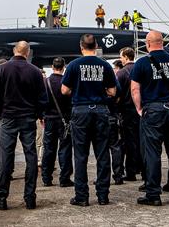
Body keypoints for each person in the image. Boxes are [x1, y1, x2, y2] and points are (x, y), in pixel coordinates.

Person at [130, 30, 169, 206]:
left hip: (153, 110)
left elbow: (135, 89)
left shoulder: (141, 63)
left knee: (152, 154)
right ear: (162, 43)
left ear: (148, 43)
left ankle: (153, 195)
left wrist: (139, 108)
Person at [61, 34, 118, 207]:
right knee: (102, 154)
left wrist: (77, 91)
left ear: (81, 46)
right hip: (101, 111)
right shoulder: (105, 65)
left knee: (80, 155)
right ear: (96, 46)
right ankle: (103, 195)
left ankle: (82, 196)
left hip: (80, 111)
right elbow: (113, 92)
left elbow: (64, 90)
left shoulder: (73, 65)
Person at [0, 43, 48, 210]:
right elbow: (42, 98)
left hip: (8, 118)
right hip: (28, 119)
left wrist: (0, 113)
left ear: (14, 51)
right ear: (27, 53)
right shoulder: (35, 72)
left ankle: (1, 198)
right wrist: (38, 114)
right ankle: (30, 198)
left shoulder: (1, 70)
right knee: (31, 157)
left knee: (5, 158)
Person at [41, 57, 73, 187]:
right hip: (65, 120)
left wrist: (41, 116)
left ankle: (46, 178)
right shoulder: (67, 82)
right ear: (64, 67)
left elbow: (41, 101)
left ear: (52, 67)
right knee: (65, 149)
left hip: (49, 119)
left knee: (49, 149)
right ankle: (64, 178)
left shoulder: (45, 82)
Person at [116, 47, 142, 183]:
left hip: (127, 111)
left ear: (126, 57)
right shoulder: (141, 69)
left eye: (121, 57)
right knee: (142, 141)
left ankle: (131, 172)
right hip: (142, 110)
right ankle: (144, 171)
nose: (120, 59)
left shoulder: (121, 73)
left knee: (129, 142)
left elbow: (116, 93)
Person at [108, 60, 125, 185]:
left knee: (101, 149)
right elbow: (119, 94)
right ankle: (118, 176)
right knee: (115, 147)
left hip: (98, 116)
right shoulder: (112, 78)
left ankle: (102, 177)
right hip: (112, 116)